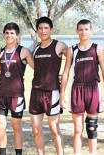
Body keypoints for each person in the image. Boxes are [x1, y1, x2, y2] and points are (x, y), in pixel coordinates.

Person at [59, 19, 104, 155]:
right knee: (77, 129)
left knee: (92, 128)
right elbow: (65, 73)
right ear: (77, 31)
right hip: (77, 90)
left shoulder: (97, 49)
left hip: (93, 89)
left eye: (86, 29)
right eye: (81, 29)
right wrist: (62, 94)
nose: (83, 32)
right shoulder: (72, 50)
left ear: (91, 31)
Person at [0, 22, 34, 155]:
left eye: (12, 33)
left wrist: (56, 76)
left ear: (17, 36)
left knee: (16, 127)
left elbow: (38, 69)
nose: (9, 36)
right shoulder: (0, 51)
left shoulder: (24, 51)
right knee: (0, 126)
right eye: (7, 33)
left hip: (17, 95)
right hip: (0, 95)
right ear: (4, 34)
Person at [29, 17, 67, 155]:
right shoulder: (35, 47)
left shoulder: (59, 45)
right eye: (40, 28)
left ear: (51, 29)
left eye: (46, 28)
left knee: (54, 128)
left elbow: (74, 57)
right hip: (36, 92)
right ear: (37, 30)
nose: (43, 31)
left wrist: (64, 74)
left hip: (52, 93)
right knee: (36, 129)